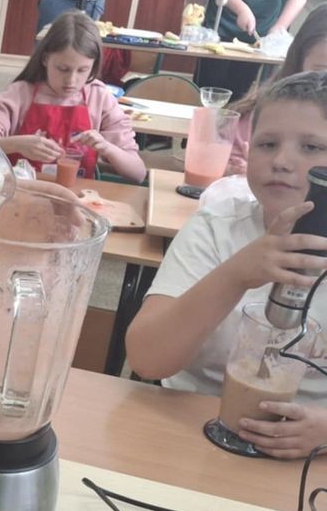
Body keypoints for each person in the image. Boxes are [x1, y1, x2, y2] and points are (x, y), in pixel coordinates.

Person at [126, 71, 327, 458]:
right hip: (188, 424)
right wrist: (236, 274)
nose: (281, 161)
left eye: (311, 147)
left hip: (305, 455)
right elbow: (147, 359)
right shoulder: (217, 228)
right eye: (267, 144)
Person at [0, 10, 145, 183]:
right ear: (45, 59)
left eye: (82, 70)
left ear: (93, 66)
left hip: (77, 194)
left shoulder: (99, 97)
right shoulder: (19, 94)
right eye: (63, 69)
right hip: (24, 191)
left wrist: (107, 148)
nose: (71, 80)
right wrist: (15, 144)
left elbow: (138, 173)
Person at [227, 4, 327, 175]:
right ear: (298, 63)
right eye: (323, 73)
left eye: (311, 147)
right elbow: (217, 168)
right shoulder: (260, 116)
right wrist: (238, 173)